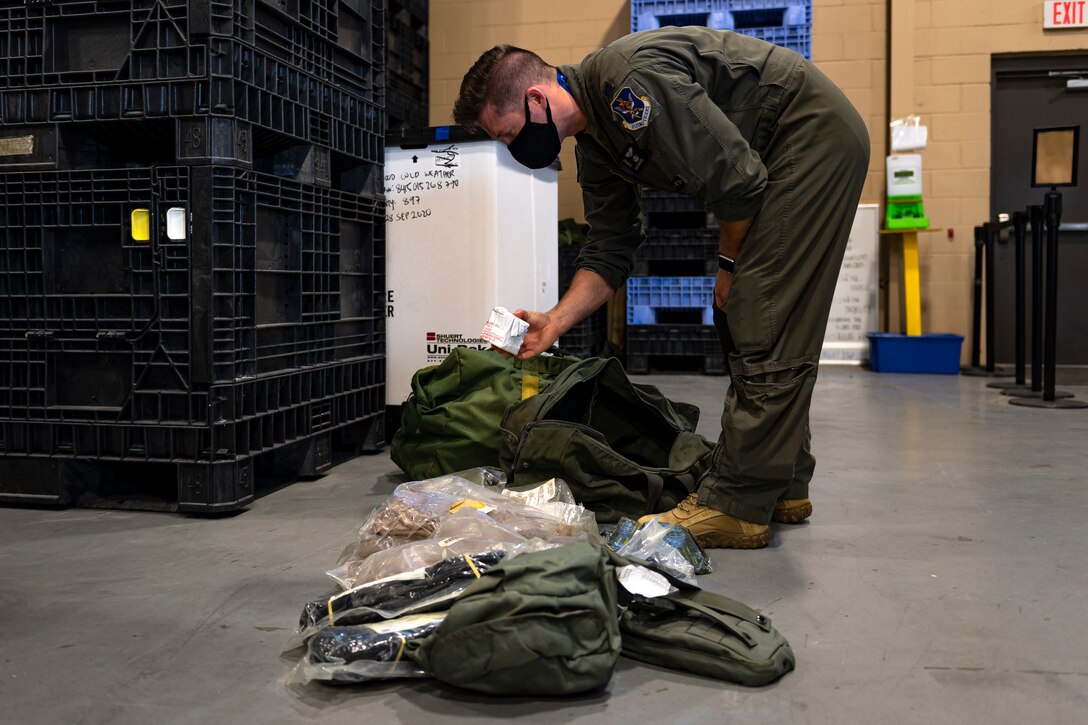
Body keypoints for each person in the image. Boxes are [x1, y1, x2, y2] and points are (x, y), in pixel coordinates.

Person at [453, 27, 870, 549]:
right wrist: (554, 321)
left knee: (759, 307)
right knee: (754, 313)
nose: (514, 149)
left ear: (536, 97)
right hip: (777, 155)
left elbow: (738, 182)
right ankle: (783, 480)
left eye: (510, 134)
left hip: (808, 137)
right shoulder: (596, 143)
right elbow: (610, 246)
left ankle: (737, 505)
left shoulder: (627, 84)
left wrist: (728, 266)